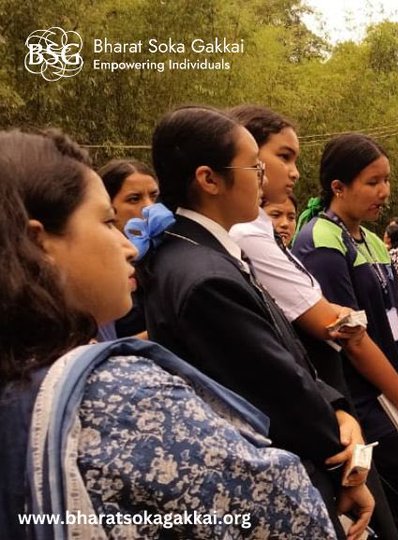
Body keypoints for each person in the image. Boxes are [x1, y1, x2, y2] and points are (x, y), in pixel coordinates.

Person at [0, 128, 336, 538]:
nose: (126, 245)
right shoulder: (120, 400)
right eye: (107, 221)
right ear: (40, 245)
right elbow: (294, 517)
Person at [137, 105, 374, 538]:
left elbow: (281, 353)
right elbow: (275, 387)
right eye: (254, 167)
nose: (264, 180)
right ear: (209, 179)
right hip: (274, 483)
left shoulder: (202, 251)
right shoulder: (203, 277)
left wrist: (338, 408)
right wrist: (342, 451)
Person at [293, 133, 398, 539]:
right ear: (338, 187)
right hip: (360, 410)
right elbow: (352, 340)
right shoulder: (320, 241)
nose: (385, 191)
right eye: (372, 182)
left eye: (386, 180)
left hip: (391, 402)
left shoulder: (375, 241)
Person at [97, 159, 159, 339]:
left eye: (154, 196)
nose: (149, 207)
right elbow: (102, 347)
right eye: (134, 199)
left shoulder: (163, 250)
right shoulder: (97, 265)